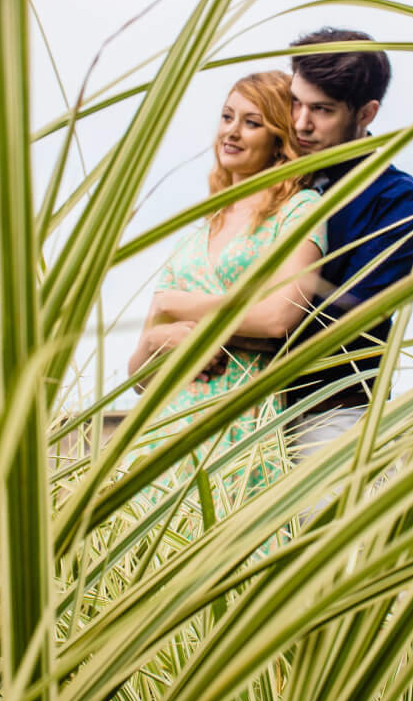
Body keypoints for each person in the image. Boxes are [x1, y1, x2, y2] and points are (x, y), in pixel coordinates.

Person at [129, 70, 327, 493]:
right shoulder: (195, 235)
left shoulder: (300, 210)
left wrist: (179, 306)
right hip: (163, 437)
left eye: (252, 122)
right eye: (226, 117)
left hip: (240, 430)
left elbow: (278, 319)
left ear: (278, 139)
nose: (232, 133)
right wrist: (160, 340)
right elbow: (139, 376)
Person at [278, 27, 413, 460]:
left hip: (331, 419)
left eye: (321, 110)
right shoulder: (268, 177)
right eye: (295, 102)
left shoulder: (400, 202)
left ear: (366, 113)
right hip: (235, 409)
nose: (300, 123)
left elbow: (343, 323)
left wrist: (229, 327)